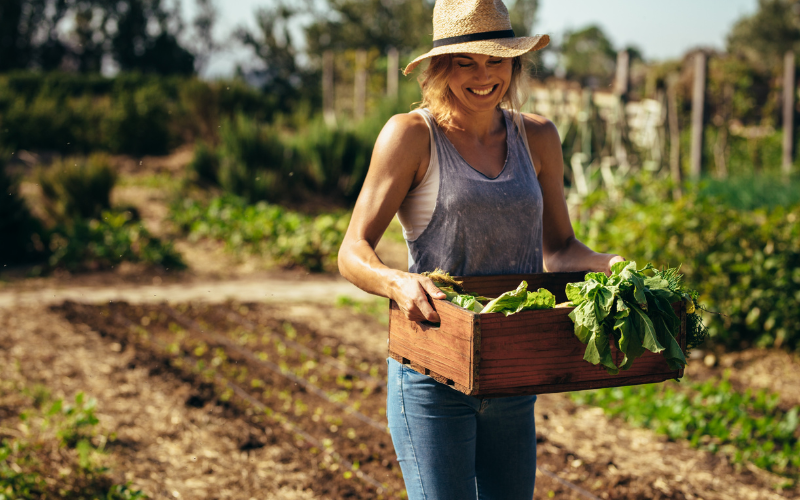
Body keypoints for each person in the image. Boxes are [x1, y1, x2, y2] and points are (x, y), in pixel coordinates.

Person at [338, 0, 624, 498]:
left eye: (496, 59)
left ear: (515, 62)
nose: (483, 75)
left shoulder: (538, 137)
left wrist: (613, 266)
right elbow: (352, 249)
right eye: (465, 61)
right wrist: (397, 282)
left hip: (513, 370)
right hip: (431, 373)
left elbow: (559, 249)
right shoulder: (411, 135)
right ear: (439, 67)